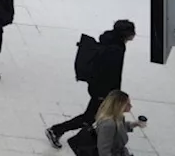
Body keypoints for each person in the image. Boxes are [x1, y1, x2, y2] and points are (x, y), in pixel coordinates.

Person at [45, 20, 137, 148]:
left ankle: (59, 130)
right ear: (126, 34)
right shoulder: (115, 49)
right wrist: (113, 93)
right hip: (103, 91)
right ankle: (56, 130)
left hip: (99, 88)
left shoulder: (111, 41)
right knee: (90, 117)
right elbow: (111, 74)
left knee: (97, 116)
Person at [92, 89, 145, 156]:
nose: (131, 106)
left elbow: (118, 129)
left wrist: (134, 124)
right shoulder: (108, 125)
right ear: (119, 105)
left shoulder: (116, 118)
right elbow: (104, 152)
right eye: (127, 104)